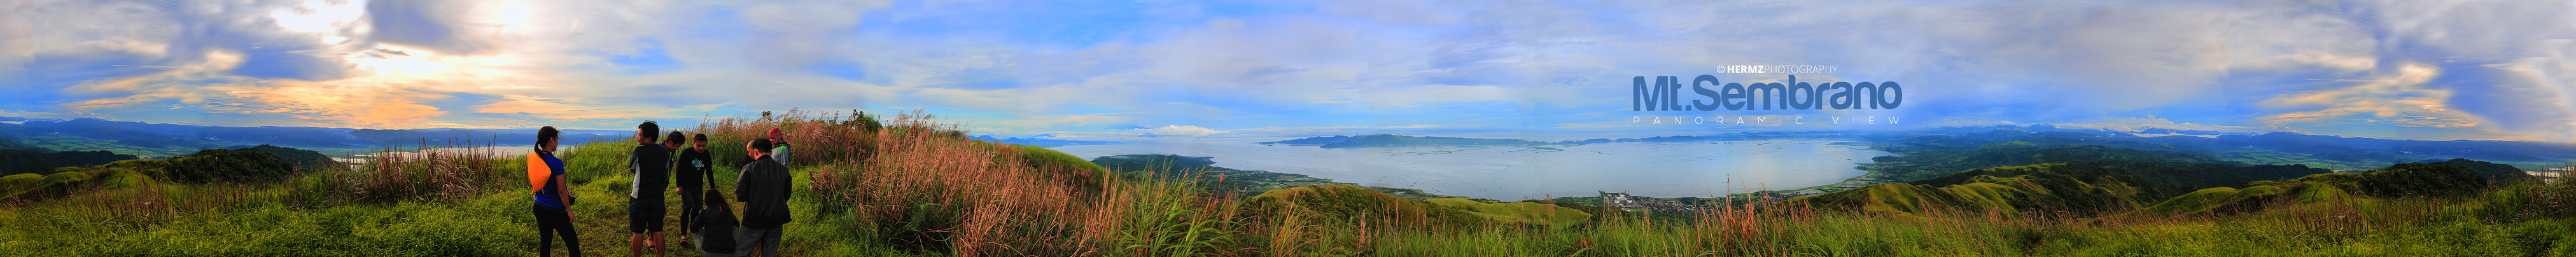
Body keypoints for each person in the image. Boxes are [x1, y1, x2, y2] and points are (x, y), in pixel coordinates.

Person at [528, 126, 582, 256]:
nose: (558, 143)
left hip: (539, 206)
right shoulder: (557, 163)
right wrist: (569, 211)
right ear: (551, 140)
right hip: (555, 210)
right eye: (557, 139)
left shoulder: (535, 158)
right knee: (573, 244)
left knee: (545, 243)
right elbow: (562, 190)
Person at [734, 138, 793, 256]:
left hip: (754, 219)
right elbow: (787, 195)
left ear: (755, 152)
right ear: (771, 152)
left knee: (743, 252)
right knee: (769, 254)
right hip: (777, 219)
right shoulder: (783, 170)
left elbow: (740, 195)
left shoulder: (749, 169)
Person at [627, 122, 673, 257]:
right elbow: (665, 170)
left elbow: (632, 168)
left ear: (648, 138)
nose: (638, 137)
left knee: (638, 231)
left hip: (639, 197)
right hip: (657, 197)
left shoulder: (639, 150)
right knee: (658, 230)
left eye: (640, 135)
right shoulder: (665, 151)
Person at [670, 132, 710, 245]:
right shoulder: (686, 153)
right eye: (699, 146)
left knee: (697, 209)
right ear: (694, 143)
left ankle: (694, 230)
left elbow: (709, 170)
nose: (701, 148)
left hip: (698, 186)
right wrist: (679, 186)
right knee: (687, 209)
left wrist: (712, 187)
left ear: (706, 145)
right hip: (686, 186)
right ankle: (683, 235)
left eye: (704, 146)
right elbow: (679, 170)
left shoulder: (706, 154)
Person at [692, 189, 738, 256]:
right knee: (735, 226)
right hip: (729, 252)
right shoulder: (728, 212)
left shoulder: (705, 213)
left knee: (697, 229)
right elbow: (737, 224)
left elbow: (693, 228)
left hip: (709, 252)